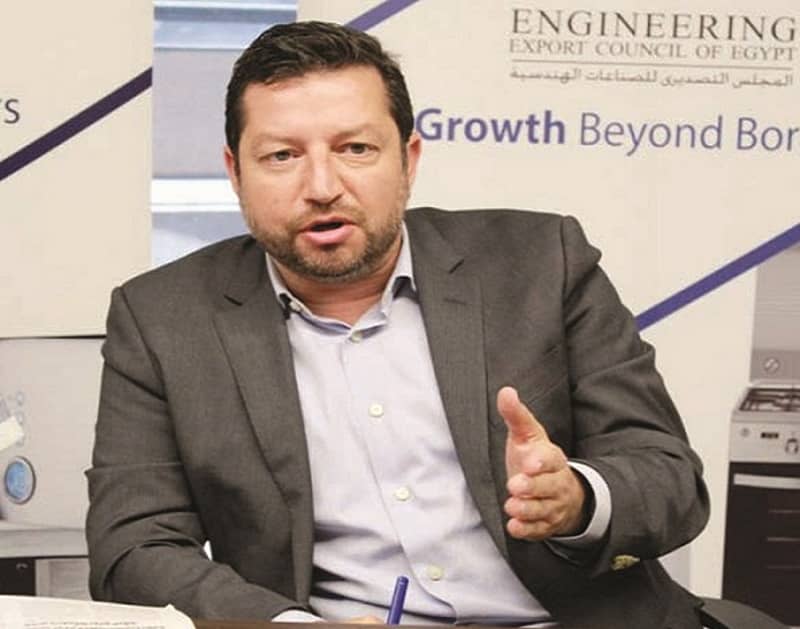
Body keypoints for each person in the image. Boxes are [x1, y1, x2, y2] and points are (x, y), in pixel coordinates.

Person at [86, 20, 709, 629]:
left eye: (355, 149)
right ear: (235, 172)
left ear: (408, 159)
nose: (322, 186)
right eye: (282, 156)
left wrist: (576, 497)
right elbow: (134, 546)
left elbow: (669, 477)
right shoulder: (163, 319)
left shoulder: (543, 261)